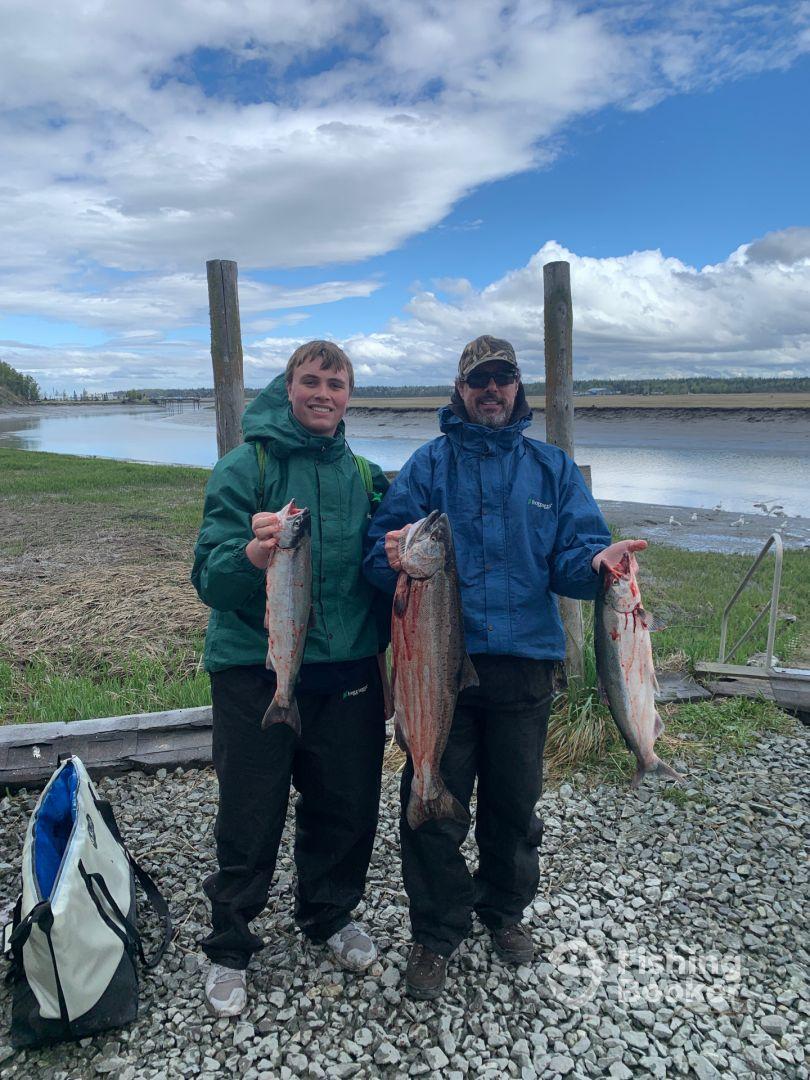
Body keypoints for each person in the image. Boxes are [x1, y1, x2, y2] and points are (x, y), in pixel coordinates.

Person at [363, 335, 646, 1000]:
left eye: (503, 378)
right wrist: (395, 558)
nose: (491, 390)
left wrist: (599, 566)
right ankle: (435, 932)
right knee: (430, 804)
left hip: (524, 667)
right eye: (478, 379)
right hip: (437, 671)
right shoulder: (427, 466)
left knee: (514, 808)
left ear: (518, 388)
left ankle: (504, 912)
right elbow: (379, 559)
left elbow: (575, 559)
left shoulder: (551, 469)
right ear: (458, 389)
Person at [192, 340, 390, 1018]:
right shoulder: (246, 465)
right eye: (311, 380)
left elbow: (393, 561)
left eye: (336, 384)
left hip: (349, 669)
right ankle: (229, 943)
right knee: (249, 811)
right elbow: (210, 582)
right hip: (256, 667)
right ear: (289, 385)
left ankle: (329, 915)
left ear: (349, 396)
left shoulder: (366, 476)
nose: (323, 393)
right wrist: (252, 549)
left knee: (347, 805)